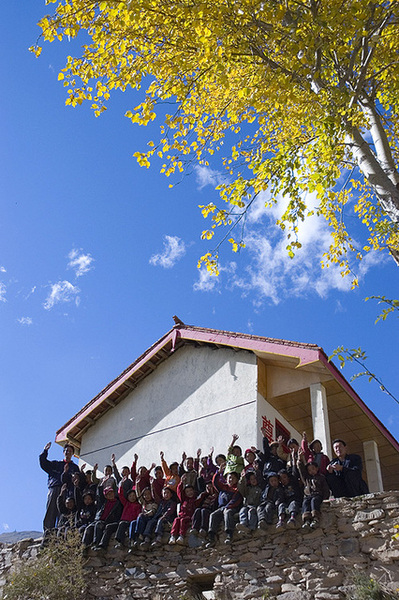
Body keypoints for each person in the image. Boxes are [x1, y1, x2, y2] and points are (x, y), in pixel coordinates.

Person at [39, 441, 80, 531]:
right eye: (66, 450)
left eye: (70, 451)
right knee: (51, 510)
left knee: (63, 511)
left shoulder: (74, 467)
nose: (67, 452)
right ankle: (48, 532)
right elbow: (43, 463)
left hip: (67, 491)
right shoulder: (56, 464)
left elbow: (78, 479)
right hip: (55, 488)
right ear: (63, 452)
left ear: (73, 454)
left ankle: (60, 531)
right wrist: (45, 451)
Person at [207, 470, 243, 546]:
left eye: (233, 478)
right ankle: (211, 537)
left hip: (232, 508)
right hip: (222, 508)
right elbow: (215, 483)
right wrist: (218, 473)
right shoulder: (223, 487)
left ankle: (229, 534)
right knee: (213, 515)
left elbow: (236, 500)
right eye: (229, 478)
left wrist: (227, 507)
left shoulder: (237, 489)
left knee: (228, 512)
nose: (231, 480)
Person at [297, 449, 330, 529]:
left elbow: (325, 488)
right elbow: (301, 470)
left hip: (317, 495)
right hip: (308, 495)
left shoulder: (321, 477)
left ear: (317, 469)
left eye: (313, 469)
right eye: (309, 470)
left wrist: (325, 497)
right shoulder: (307, 479)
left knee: (314, 501)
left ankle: (315, 518)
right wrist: (300, 460)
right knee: (305, 503)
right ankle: (307, 520)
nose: (311, 471)